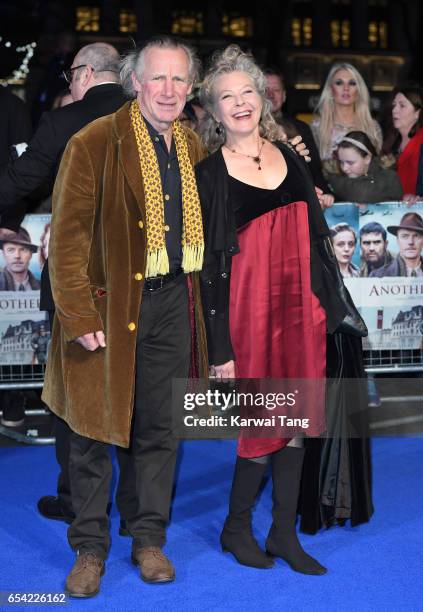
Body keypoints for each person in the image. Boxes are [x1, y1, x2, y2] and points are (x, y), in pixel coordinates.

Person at [41, 36, 208, 597]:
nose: (168, 90)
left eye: (179, 80)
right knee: (91, 431)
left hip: (171, 305)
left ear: (191, 89)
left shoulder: (194, 148)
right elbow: (65, 240)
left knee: (158, 429)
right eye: (158, 78)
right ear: (135, 82)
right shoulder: (94, 141)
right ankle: (89, 548)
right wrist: (77, 311)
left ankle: (148, 538)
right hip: (105, 307)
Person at [196, 44, 370, 575]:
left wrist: (325, 304)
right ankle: (236, 527)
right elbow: (207, 270)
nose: (241, 103)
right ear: (214, 110)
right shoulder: (210, 174)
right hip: (249, 316)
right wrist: (219, 346)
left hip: (302, 310)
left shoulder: (290, 154)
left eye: (247, 91)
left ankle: (281, 533)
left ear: (262, 97)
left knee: (298, 422)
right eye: (227, 97)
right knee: (260, 423)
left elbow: (317, 234)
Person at [0, 42, 127, 527]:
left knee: (75, 390)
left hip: (75, 279)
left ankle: (78, 498)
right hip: (139, 282)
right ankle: (135, 506)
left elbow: (21, 179)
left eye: (71, 76)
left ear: (85, 73)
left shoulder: (63, 122)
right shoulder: (147, 121)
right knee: (133, 388)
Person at [265, 67, 333, 205]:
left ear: (284, 96)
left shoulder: (301, 128)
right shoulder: (247, 131)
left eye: (276, 90)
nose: (270, 95)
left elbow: (314, 171)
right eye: (265, 90)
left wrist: (326, 196)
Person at [311, 63, 382, 168]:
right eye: (339, 83)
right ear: (330, 90)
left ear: (358, 91)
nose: (346, 88)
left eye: (352, 83)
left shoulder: (372, 127)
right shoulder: (317, 128)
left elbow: (377, 169)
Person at [327, 131, 403, 203]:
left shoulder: (389, 177)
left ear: (367, 158)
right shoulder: (337, 173)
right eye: (341, 162)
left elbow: (363, 194)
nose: (344, 168)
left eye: (350, 163)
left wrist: (334, 181)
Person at [383, 85, 423, 200]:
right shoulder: (392, 141)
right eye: (394, 105)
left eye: (402, 106)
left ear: (417, 113)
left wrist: (419, 199)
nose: (394, 110)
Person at [371, 212, 423, 277]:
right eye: (404, 236)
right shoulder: (377, 276)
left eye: (416, 236)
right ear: (398, 240)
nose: (411, 242)